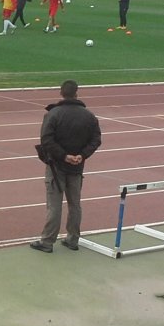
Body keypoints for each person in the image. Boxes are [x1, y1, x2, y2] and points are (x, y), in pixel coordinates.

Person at [29, 79, 102, 253]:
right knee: (75, 204)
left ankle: (47, 241)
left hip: (56, 166)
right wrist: (81, 155)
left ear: (61, 93)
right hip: (77, 166)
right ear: (77, 93)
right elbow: (96, 140)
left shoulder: (53, 114)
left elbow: (46, 140)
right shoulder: (89, 116)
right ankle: (73, 239)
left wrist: (64, 156)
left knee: (54, 204)